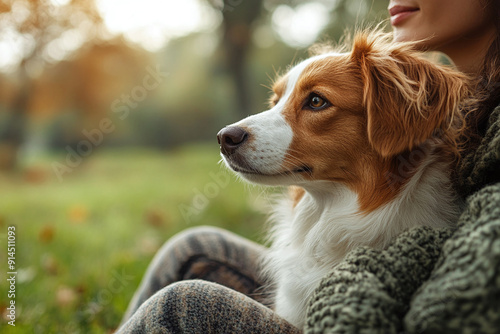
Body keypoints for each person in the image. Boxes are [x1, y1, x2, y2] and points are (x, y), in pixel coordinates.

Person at [117, 1, 500, 333]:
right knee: (194, 247)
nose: (244, 130)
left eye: (315, 102)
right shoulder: (474, 103)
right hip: (336, 278)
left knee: (184, 305)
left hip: (355, 314)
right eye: (278, 102)